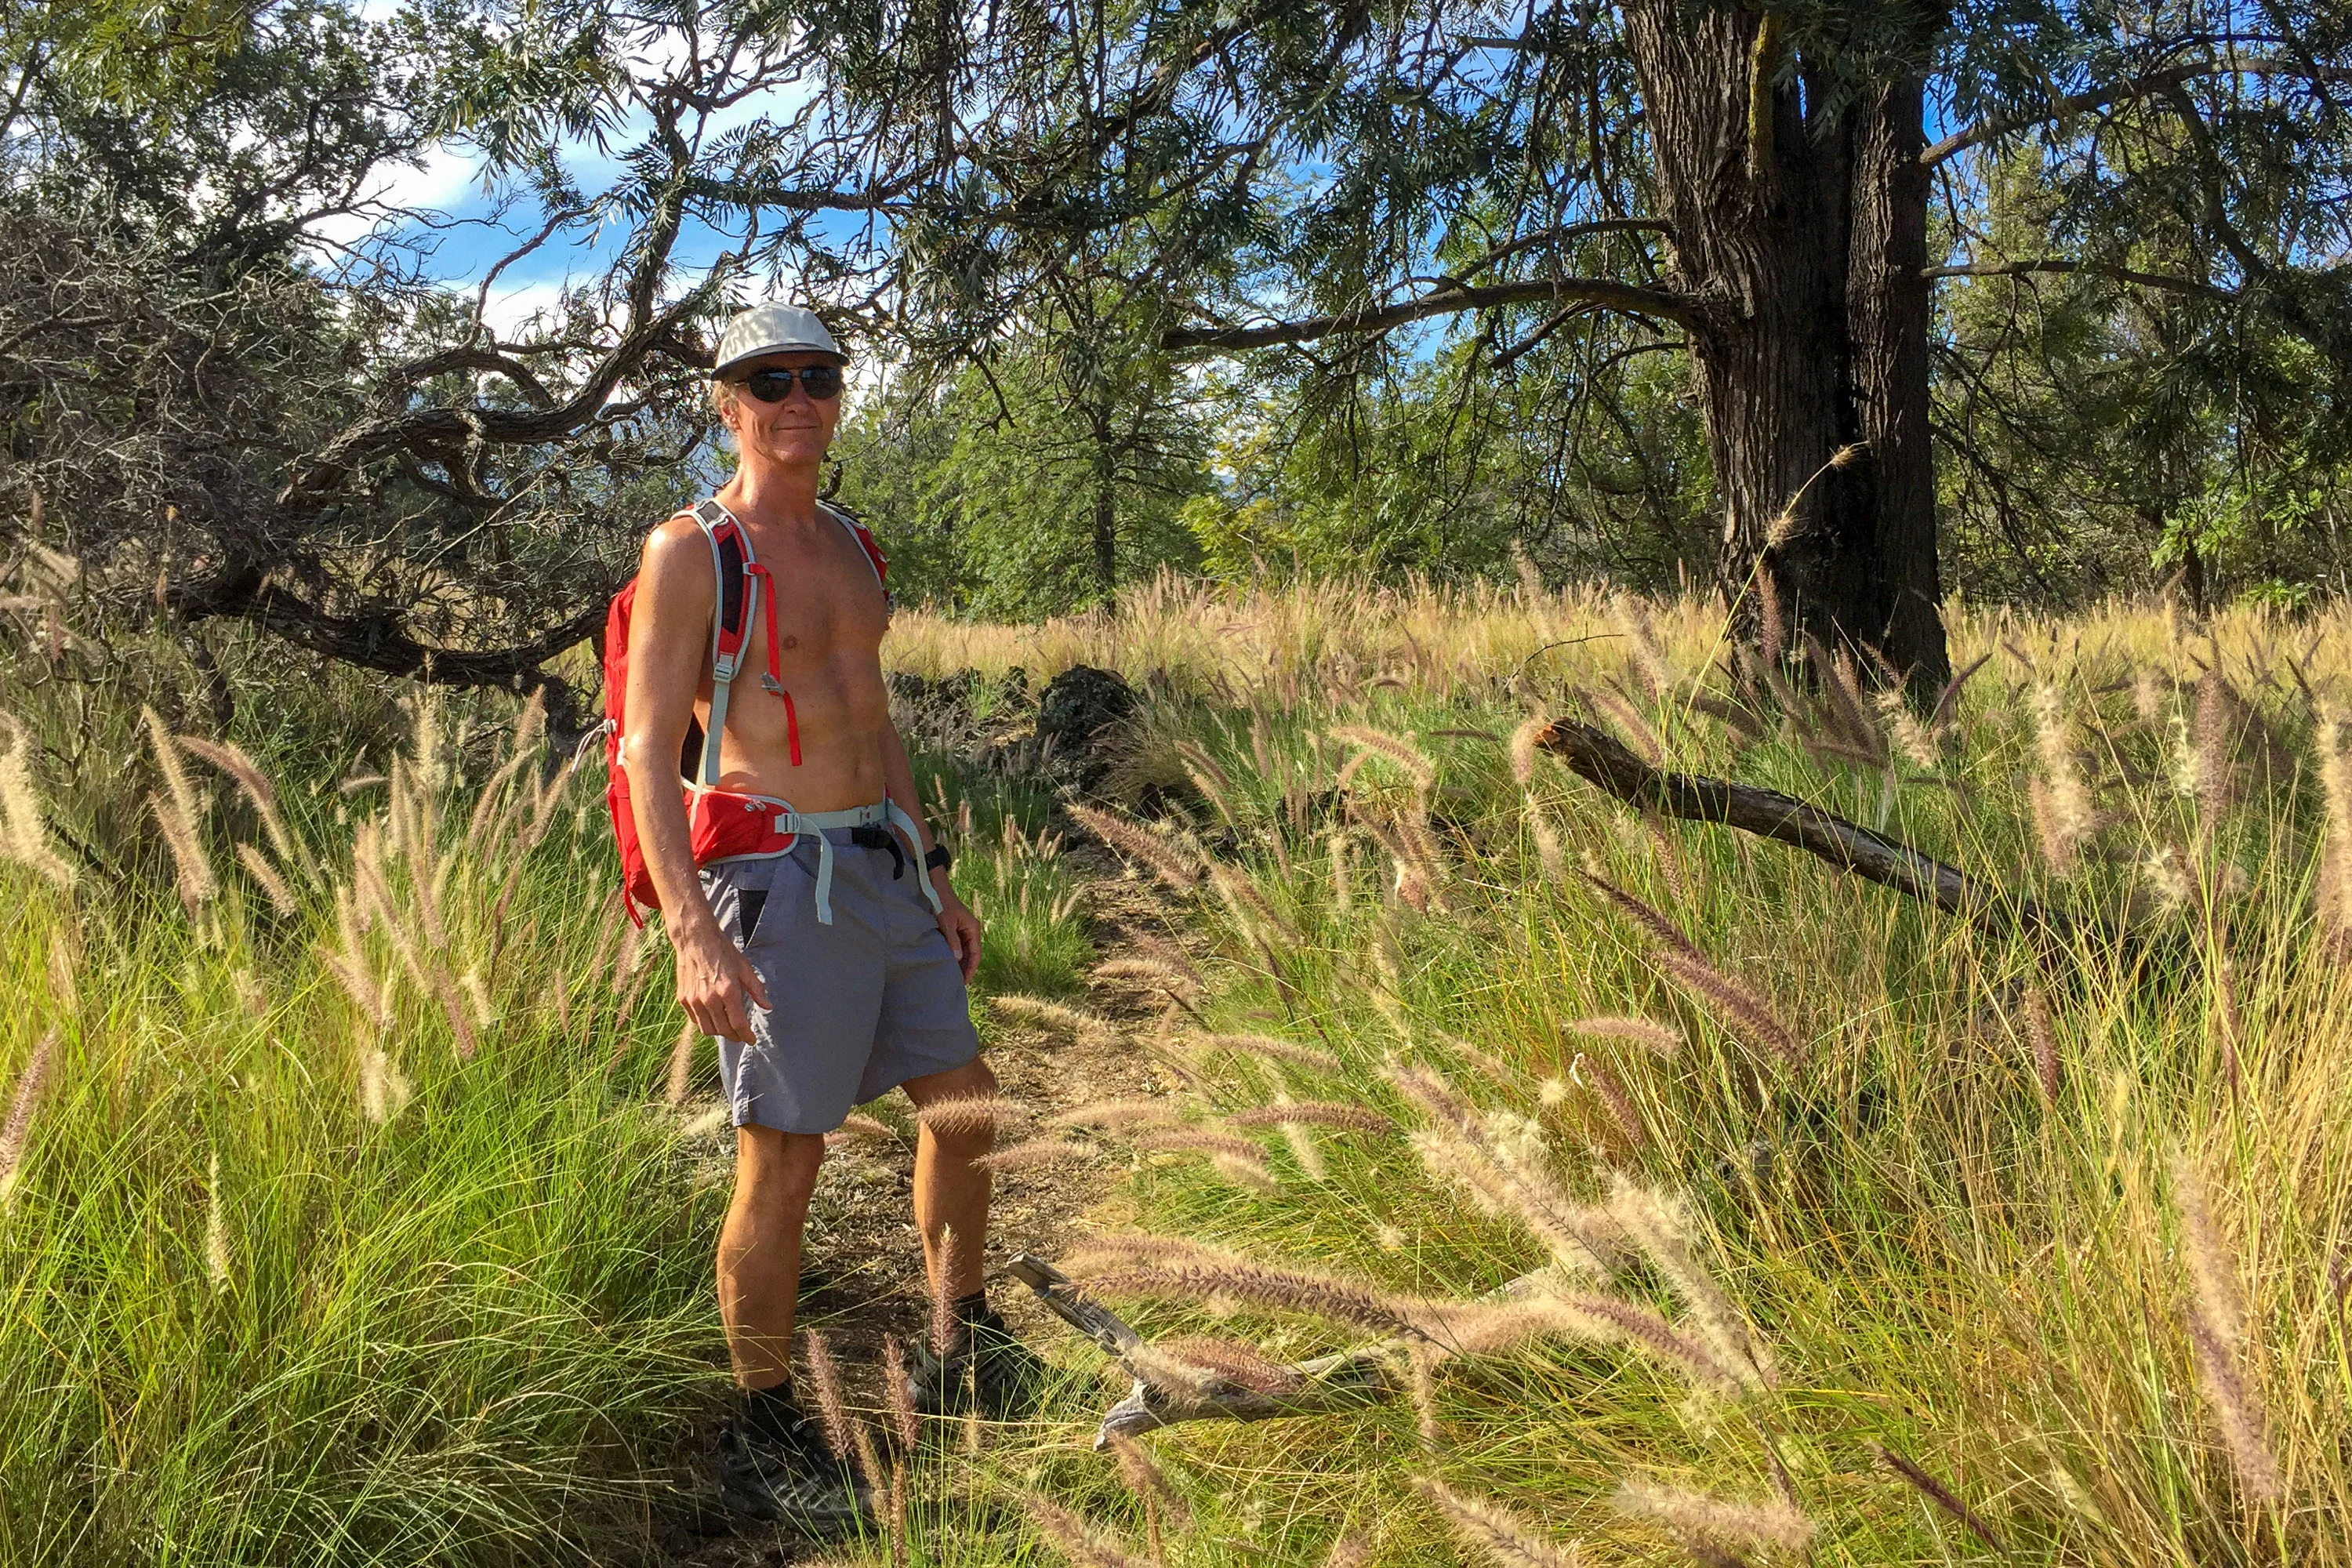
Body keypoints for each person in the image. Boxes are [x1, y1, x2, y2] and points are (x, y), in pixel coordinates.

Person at [621, 302, 1041, 1529]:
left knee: (966, 1107)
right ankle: (761, 1418)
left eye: (816, 375)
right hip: (776, 883)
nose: (796, 396)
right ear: (726, 402)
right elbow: (650, 749)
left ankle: (960, 1345)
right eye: (768, 379)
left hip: (885, 867)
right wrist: (695, 930)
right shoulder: (694, 550)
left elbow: (875, 718)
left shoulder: (855, 543)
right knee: (785, 1159)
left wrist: (938, 865)